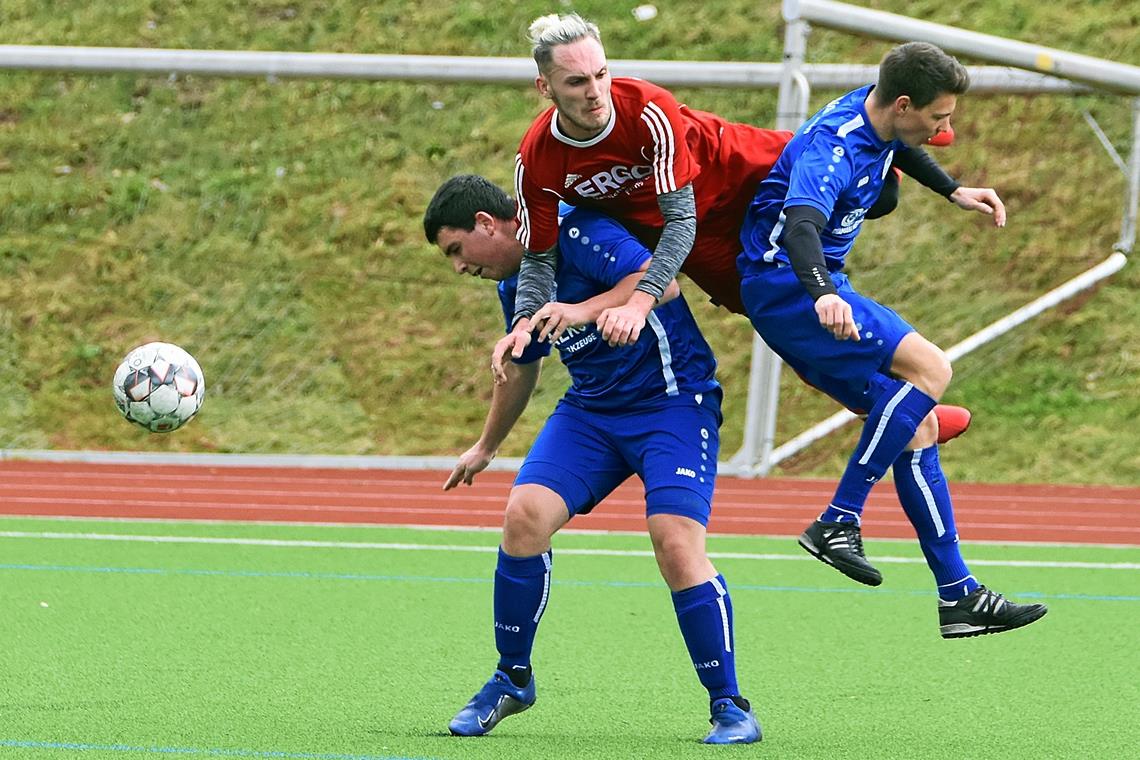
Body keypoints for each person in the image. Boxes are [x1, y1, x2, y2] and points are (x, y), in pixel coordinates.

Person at [495, 11, 973, 445]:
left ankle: (913, 131)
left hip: (743, 169)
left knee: (870, 190)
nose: (596, 92)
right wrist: (522, 321)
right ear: (546, 88)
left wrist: (640, 302)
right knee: (780, 315)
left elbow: (677, 218)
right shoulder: (538, 160)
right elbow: (539, 254)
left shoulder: (646, 110)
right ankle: (884, 405)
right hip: (701, 235)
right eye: (577, 82)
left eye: (601, 75)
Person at [423, 174, 761, 744]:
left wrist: (582, 309)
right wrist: (487, 446)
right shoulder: (517, 286)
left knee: (675, 540)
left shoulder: (579, 231)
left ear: (487, 223)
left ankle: (730, 705)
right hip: (592, 413)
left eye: (456, 250)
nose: (458, 267)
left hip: (673, 404)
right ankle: (512, 678)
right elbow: (524, 367)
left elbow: (660, 282)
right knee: (524, 514)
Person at [737, 41, 1048, 638]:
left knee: (919, 425)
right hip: (791, 286)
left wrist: (953, 188)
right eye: (939, 118)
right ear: (903, 104)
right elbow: (801, 225)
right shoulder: (832, 147)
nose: (945, 128)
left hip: (804, 288)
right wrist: (824, 293)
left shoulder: (880, 117)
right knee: (932, 371)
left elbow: (900, 151)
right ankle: (839, 518)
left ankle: (959, 596)